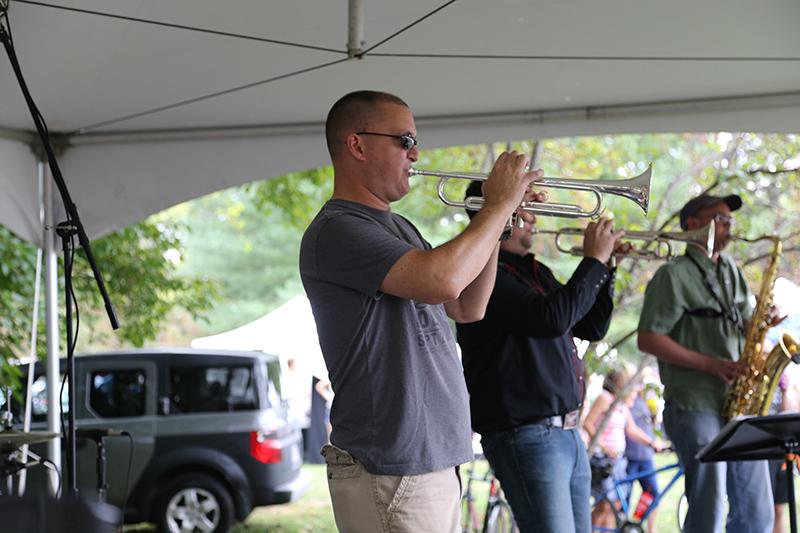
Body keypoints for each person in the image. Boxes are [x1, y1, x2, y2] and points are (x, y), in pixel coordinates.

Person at [299, 90, 537, 532]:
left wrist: (497, 223)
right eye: (405, 141)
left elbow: (468, 305)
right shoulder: (338, 229)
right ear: (357, 145)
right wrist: (498, 204)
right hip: (392, 466)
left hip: (427, 462)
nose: (416, 153)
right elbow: (440, 281)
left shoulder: (398, 226)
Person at [456, 178, 630, 533]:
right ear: (496, 210)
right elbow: (553, 318)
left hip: (565, 433)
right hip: (525, 435)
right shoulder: (482, 274)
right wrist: (593, 259)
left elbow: (590, 327)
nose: (534, 217)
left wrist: (606, 268)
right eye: (524, 208)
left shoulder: (533, 270)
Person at [637, 193, 784, 533]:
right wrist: (711, 364)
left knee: (758, 513)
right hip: (694, 404)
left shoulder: (731, 270)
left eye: (730, 220)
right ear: (692, 223)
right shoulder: (673, 274)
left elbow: (744, 324)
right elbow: (648, 338)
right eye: (720, 218)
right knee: (709, 510)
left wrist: (763, 321)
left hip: (736, 401)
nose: (729, 225)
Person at [583, 370, 660, 530]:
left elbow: (631, 429)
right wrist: (604, 446)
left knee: (616, 504)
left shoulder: (621, 404)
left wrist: (651, 443)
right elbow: (588, 423)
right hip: (602, 459)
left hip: (618, 459)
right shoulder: (605, 398)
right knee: (604, 504)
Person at [624, 381, 661, 533]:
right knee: (624, 496)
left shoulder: (646, 401)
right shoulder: (627, 401)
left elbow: (651, 425)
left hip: (646, 456)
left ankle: (647, 528)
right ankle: (624, 525)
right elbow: (631, 429)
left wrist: (655, 415)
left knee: (653, 493)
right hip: (630, 455)